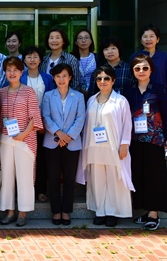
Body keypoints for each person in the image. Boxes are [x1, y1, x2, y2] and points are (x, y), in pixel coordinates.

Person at [126, 55, 167, 231]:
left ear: (151, 70)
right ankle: (144, 210)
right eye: (137, 68)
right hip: (134, 140)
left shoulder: (159, 90)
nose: (141, 71)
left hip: (155, 139)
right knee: (138, 175)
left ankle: (154, 213)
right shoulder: (129, 91)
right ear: (133, 71)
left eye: (145, 68)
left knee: (155, 176)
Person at [80, 65, 134, 227]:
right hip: (94, 147)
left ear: (113, 81)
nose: (102, 82)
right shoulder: (91, 100)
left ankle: (112, 211)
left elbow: (127, 124)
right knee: (97, 180)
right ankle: (100, 211)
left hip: (114, 147)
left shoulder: (121, 100)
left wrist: (124, 144)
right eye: (99, 79)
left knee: (114, 180)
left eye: (106, 78)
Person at [0, 57, 42, 227]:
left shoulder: (29, 92)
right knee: (7, 176)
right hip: (6, 140)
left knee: (25, 177)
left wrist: (23, 134)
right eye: (9, 70)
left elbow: (35, 117)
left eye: (15, 70)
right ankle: (9, 211)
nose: (12, 73)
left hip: (25, 141)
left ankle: (23, 212)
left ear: (22, 72)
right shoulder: (1, 92)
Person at [41, 63, 85, 226]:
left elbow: (80, 118)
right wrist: (58, 133)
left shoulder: (78, 96)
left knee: (69, 178)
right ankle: (56, 211)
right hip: (52, 141)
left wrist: (68, 136)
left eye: (64, 76)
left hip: (72, 143)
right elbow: (45, 116)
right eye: (58, 76)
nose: (61, 79)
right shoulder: (48, 96)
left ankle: (66, 211)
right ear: (54, 78)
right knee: (52, 177)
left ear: (70, 78)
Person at [20, 46, 56, 203]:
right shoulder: (20, 77)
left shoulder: (47, 78)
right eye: (28, 57)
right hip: (23, 125)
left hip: (43, 125)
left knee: (41, 159)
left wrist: (42, 124)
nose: (32, 60)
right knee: (25, 159)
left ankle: (41, 190)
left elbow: (51, 101)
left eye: (35, 56)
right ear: (24, 60)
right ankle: (24, 191)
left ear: (40, 60)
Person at [130, 24, 167, 98]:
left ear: (157, 39)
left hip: (161, 95)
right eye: (145, 37)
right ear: (140, 40)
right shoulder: (135, 57)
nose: (148, 39)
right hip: (139, 96)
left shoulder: (164, 57)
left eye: (151, 36)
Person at [39, 27, 83, 92]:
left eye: (57, 37)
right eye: (51, 38)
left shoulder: (71, 59)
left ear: (63, 41)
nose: (54, 40)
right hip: (45, 98)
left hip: (65, 98)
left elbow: (75, 84)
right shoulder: (43, 60)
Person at [72, 28, 98, 97]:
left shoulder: (98, 58)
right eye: (80, 38)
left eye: (86, 38)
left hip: (95, 94)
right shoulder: (71, 58)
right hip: (75, 94)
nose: (83, 40)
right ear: (76, 42)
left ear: (91, 41)